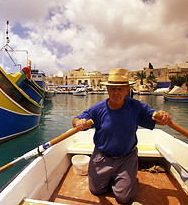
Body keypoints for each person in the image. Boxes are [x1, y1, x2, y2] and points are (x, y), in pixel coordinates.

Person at [72, 68, 171, 204]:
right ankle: (116, 178)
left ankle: (124, 177)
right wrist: (79, 122)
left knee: (124, 198)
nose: (116, 92)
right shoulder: (98, 109)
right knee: (96, 190)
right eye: (112, 89)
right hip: (102, 157)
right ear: (107, 89)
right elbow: (76, 120)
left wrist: (163, 117)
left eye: (120, 89)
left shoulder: (135, 107)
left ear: (127, 90)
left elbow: (156, 118)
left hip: (126, 157)